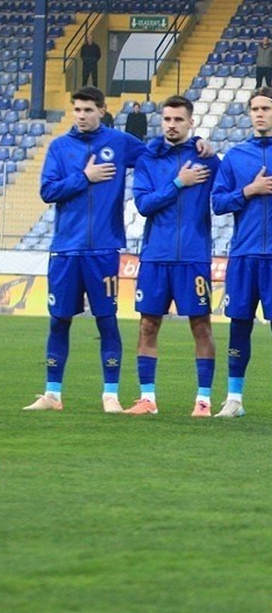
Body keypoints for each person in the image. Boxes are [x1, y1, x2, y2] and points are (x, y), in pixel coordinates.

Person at [25, 86, 146, 414]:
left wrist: (198, 147)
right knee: (59, 321)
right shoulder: (60, 147)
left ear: (102, 111)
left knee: (106, 320)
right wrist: (84, 176)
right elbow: (48, 191)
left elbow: (155, 154)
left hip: (103, 249)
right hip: (65, 249)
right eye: (77, 110)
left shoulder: (119, 143)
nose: (81, 116)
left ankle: (110, 395)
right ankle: (52, 394)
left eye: (88, 110)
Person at [124, 95, 219, 418]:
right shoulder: (148, 159)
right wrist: (180, 182)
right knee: (148, 325)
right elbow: (144, 205)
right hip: (155, 255)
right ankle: (147, 399)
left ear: (191, 123)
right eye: (167, 119)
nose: (172, 125)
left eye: (179, 119)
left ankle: (203, 401)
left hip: (194, 256)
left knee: (201, 326)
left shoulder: (206, 158)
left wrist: (211, 150)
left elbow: (223, 194)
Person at [210, 87, 272, 420]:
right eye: (254, 108)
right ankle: (234, 398)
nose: (259, 113)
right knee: (239, 325)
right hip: (244, 255)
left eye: (266, 108)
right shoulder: (235, 156)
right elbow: (218, 203)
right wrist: (250, 190)